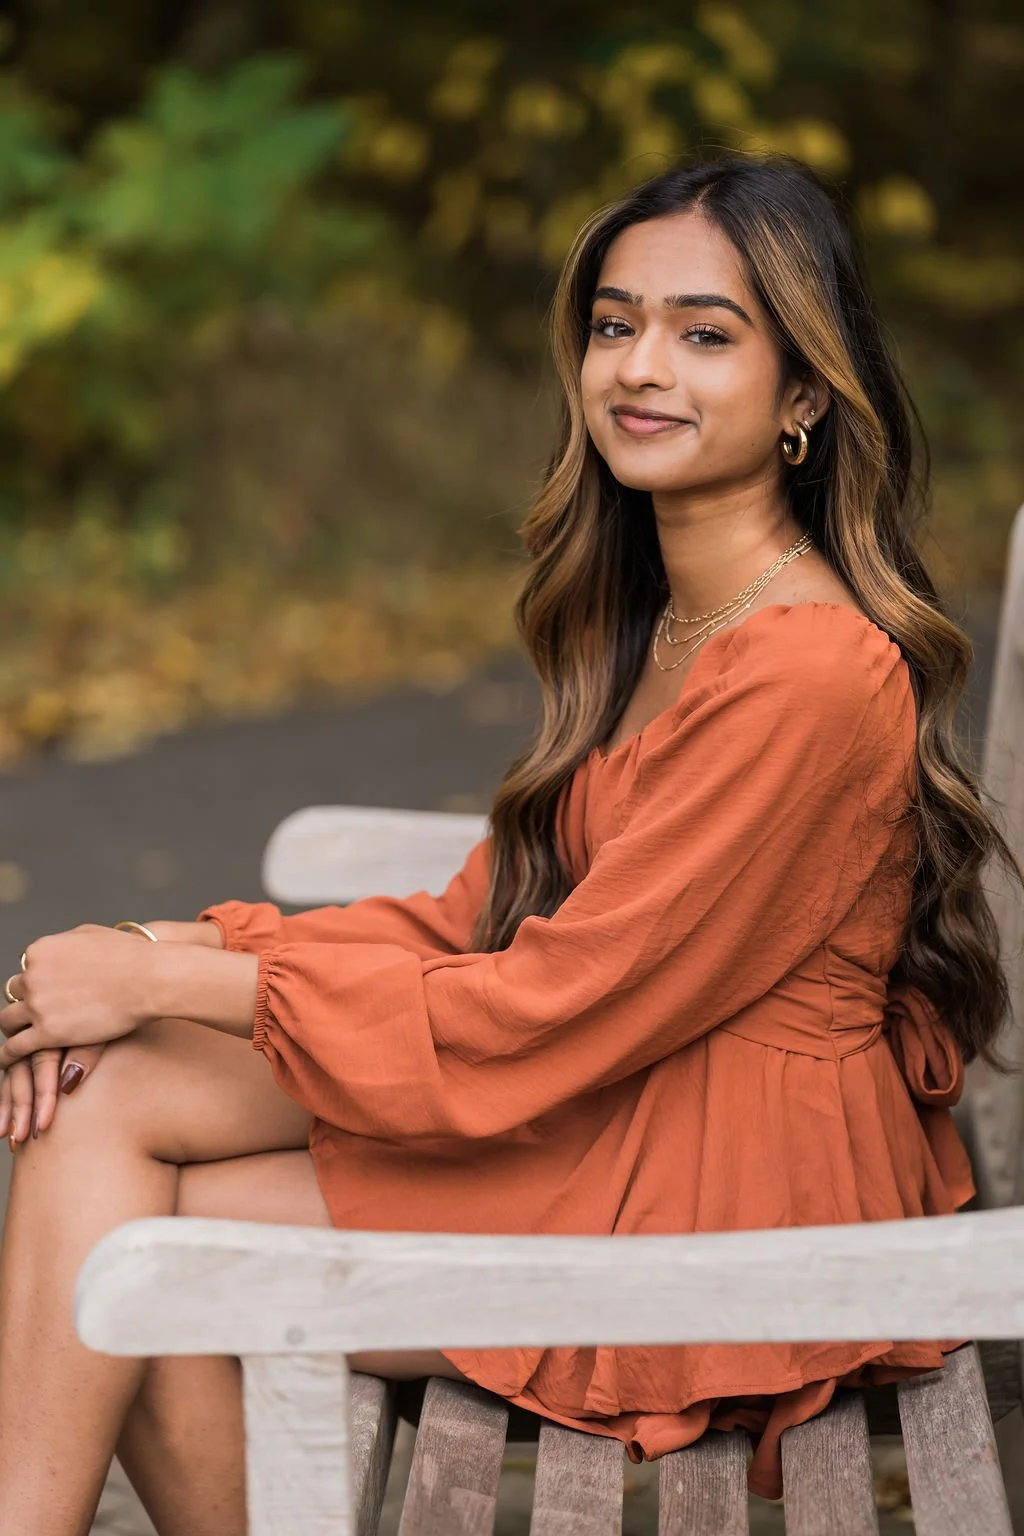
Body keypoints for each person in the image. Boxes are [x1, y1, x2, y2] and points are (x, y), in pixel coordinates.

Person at [0, 150, 1019, 1535]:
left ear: (801, 398)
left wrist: (177, 985)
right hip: (616, 1089)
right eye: (615, 324)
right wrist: (175, 947)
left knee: (152, 1232)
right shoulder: (662, 622)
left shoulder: (808, 675)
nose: (641, 366)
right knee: (106, 1103)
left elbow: (552, 1006)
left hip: (715, 1194)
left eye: (704, 335)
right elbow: (488, 915)